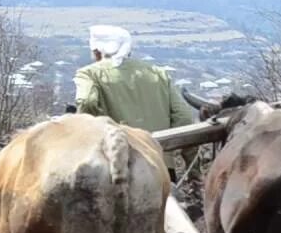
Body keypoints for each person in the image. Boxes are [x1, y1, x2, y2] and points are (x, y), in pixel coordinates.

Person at [73, 25, 196, 181]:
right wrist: (192, 165)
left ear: (97, 51)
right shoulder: (158, 74)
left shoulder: (89, 74)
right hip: (160, 165)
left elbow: (87, 102)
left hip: (112, 165)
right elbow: (184, 117)